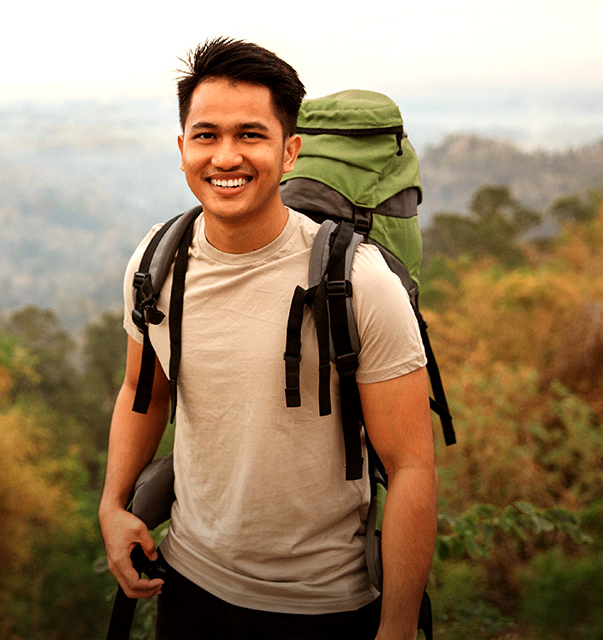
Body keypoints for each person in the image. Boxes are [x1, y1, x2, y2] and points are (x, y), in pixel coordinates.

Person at [98, 37, 438, 640]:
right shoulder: (157, 264)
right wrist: (113, 505)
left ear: (289, 151)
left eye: (250, 135)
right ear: (182, 149)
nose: (225, 156)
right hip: (187, 587)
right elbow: (140, 391)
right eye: (206, 135)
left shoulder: (358, 282)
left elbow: (411, 466)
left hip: (325, 607)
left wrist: (398, 628)